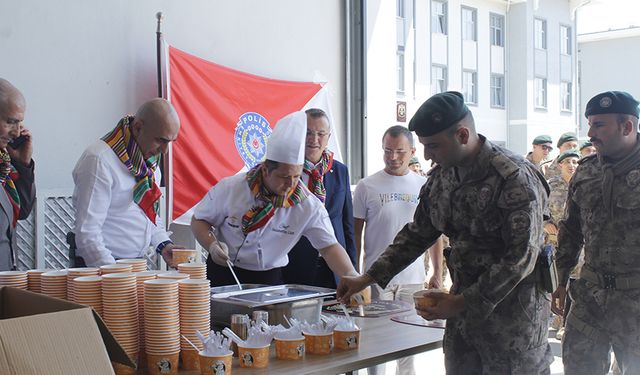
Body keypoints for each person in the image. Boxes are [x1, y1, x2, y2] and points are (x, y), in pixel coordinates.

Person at [337, 91, 552, 374]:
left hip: (512, 318)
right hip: (462, 315)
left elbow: (521, 259)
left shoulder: (513, 178)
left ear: (463, 135)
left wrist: (463, 302)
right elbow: (417, 234)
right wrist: (367, 278)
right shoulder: (443, 176)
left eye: (433, 146)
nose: (426, 155)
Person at [191, 111, 358, 286]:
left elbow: (329, 247)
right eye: (284, 177)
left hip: (269, 278)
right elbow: (199, 220)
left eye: (296, 177)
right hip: (224, 272)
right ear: (265, 170)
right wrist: (212, 246)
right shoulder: (232, 188)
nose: (291, 185)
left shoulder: (307, 204)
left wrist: (351, 274)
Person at [552, 91, 640, 374]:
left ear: (627, 127)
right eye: (589, 124)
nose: (590, 133)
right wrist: (560, 280)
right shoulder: (586, 171)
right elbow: (570, 231)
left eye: (599, 125)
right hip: (591, 296)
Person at [353, 125, 443, 375]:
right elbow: (356, 236)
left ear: (413, 151)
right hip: (375, 278)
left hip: (412, 279)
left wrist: (437, 270)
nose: (393, 157)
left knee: (408, 340)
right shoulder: (366, 186)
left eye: (400, 151)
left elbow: (435, 233)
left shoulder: (424, 186)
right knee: (375, 340)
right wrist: (355, 275)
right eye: (387, 151)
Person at [72, 98, 182, 267]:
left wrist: (164, 244)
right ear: (138, 128)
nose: (165, 151)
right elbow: (88, 234)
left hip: (132, 265)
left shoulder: (149, 164)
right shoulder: (99, 160)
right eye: (161, 140)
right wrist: (114, 274)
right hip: (99, 265)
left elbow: (148, 214)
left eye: (170, 142)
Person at [282, 108, 356, 288]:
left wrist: (352, 268)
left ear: (328, 137)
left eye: (320, 134)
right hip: (295, 264)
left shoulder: (339, 170)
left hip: (333, 268)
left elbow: (347, 224)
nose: (314, 140)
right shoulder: (285, 171)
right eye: (308, 133)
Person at [0, 79, 35, 271]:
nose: (16, 132)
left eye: (20, 123)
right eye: (10, 122)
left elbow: (22, 211)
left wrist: (23, 164)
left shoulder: (5, 162)